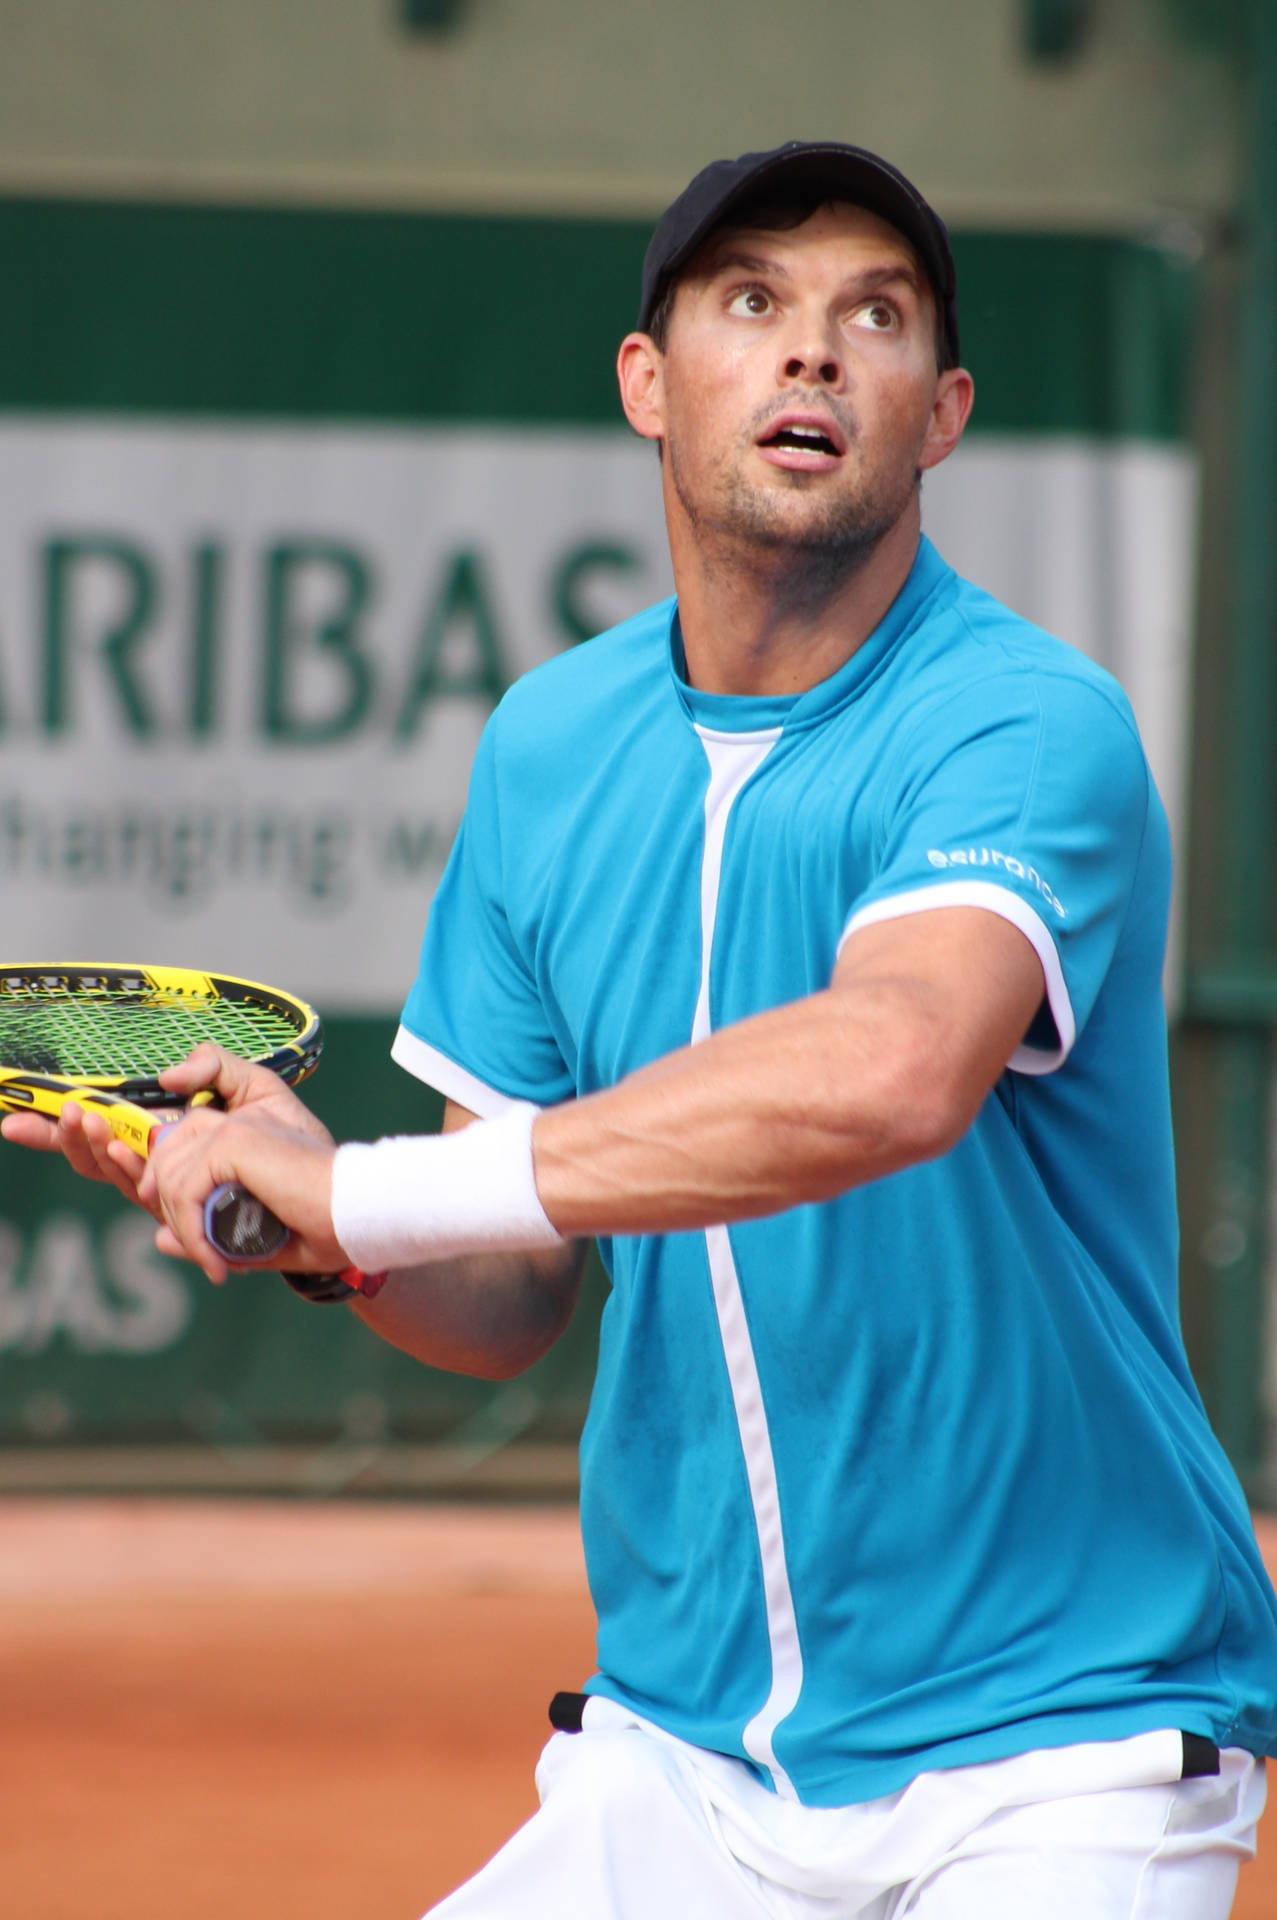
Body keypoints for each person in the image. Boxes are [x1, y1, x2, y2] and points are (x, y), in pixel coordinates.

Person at [8, 140, 1276, 1918]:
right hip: (677, 1763)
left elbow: (892, 1069)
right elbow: (506, 1290)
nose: (813, 352)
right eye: (751, 303)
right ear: (645, 383)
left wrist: (367, 1194)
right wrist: (317, 1229)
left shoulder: (1024, 722)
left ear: (944, 412)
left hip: (1055, 1750)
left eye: (876, 317)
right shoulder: (548, 747)